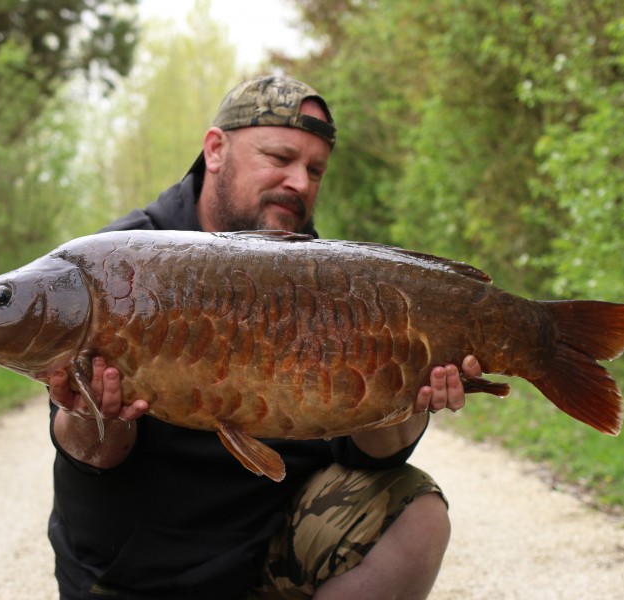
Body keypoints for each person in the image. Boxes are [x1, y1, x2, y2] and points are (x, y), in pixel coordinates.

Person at [48, 75, 482, 600]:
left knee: (416, 514)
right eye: (280, 158)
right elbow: (88, 456)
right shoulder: (116, 263)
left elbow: (367, 458)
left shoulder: (338, 281)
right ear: (215, 149)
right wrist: (95, 417)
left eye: (315, 170)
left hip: (268, 560)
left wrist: (405, 401)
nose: (300, 182)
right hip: (137, 577)